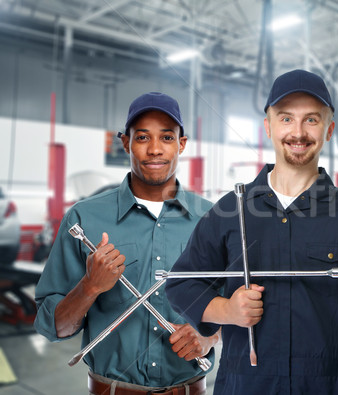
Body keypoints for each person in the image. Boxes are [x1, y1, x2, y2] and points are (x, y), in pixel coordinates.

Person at [165, 69, 338, 394]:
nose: (298, 132)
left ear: (329, 129)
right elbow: (182, 283)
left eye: (311, 120)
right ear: (268, 127)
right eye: (286, 118)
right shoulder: (231, 211)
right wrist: (226, 311)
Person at [34, 92, 219, 395]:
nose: (155, 150)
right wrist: (90, 286)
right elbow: (52, 328)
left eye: (167, 138)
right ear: (125, 142)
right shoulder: (84, 219)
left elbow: (240, 310)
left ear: (181, 144)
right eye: (143, 137)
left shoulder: (211, 220)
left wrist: (210, 337)